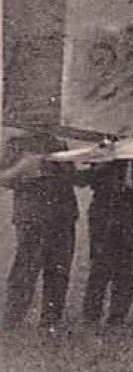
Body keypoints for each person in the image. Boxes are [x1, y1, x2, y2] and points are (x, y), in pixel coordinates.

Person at [1, 133, 79, 331]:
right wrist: (24, 168)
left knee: (59, 270)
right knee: (26, 269)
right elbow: (3, 177)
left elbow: (73, 177)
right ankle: (12, 319)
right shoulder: (16, 143)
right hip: (32, 215)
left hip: (62, 213)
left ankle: (50, 321)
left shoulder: (59, 142)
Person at [80, 155, 133, 327]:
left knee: (127, 266)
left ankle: (118, 316)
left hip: (127, 208)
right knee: (101, 264)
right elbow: (86, 177)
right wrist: (106, 162)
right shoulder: (104, 149)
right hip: (104, 206)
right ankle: (91, 316)